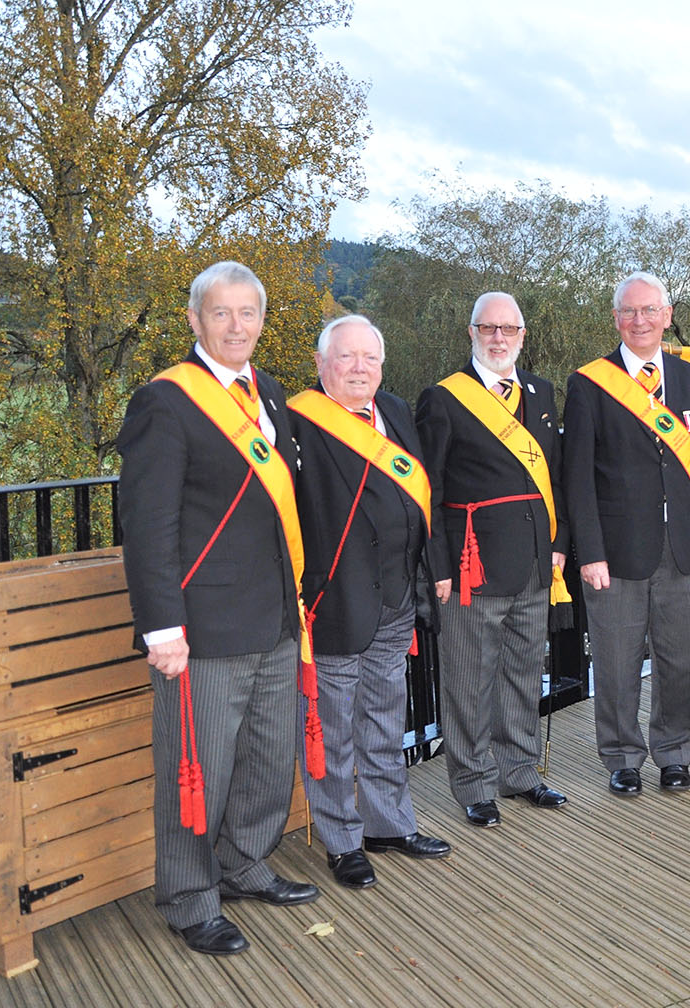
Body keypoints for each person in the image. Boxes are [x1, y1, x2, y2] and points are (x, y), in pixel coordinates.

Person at [119, 261, 318, 956]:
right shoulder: (166, 402)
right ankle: (188, 897)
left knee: (266, 759)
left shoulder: (272, 394)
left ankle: (242, 864)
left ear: (262, 321)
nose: (237, 326)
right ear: (196, 322)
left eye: (249, 313)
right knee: (195, 766)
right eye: (222, 313)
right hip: (201, 630)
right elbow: (148, 525)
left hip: (272, 619)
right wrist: (162, 627)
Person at [289, 315, 450, 890]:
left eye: (370, 359)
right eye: (347, 357)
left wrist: (433, 572)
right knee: (333, 727)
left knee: (384, 716)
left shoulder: (398, 412)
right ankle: (342, 840)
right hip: (334, 598)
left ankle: (389, 825)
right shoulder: (296, 423)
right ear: (320, 364)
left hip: (396, 595)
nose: (360, 369)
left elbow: (423, 497)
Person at [564, 271, 690, 795]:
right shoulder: (589, 383)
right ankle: (622, 757)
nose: (639, 321)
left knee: (680, 658)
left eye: (649, 311)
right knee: (616, 659)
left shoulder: (689, 379)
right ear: (616, 319)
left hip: (679, 544)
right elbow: (577, 478)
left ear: (667, 316)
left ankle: (675, 753)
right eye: (629, 312)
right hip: (613, 551)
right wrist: (588, 552)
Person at [416, 292, 571, 828]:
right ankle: (473, 782)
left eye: (508, 329)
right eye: (488, 328)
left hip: (533, 563)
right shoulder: (443, 399)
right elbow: (427, 491)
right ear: (472, 333)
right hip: (469, 568)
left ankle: (521, 772)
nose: (498, 338)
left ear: (523, 336)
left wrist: (560, 542)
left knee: (525, 673)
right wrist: (436, 566)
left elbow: (558, 477)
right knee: (468, 680)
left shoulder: (542, 392)